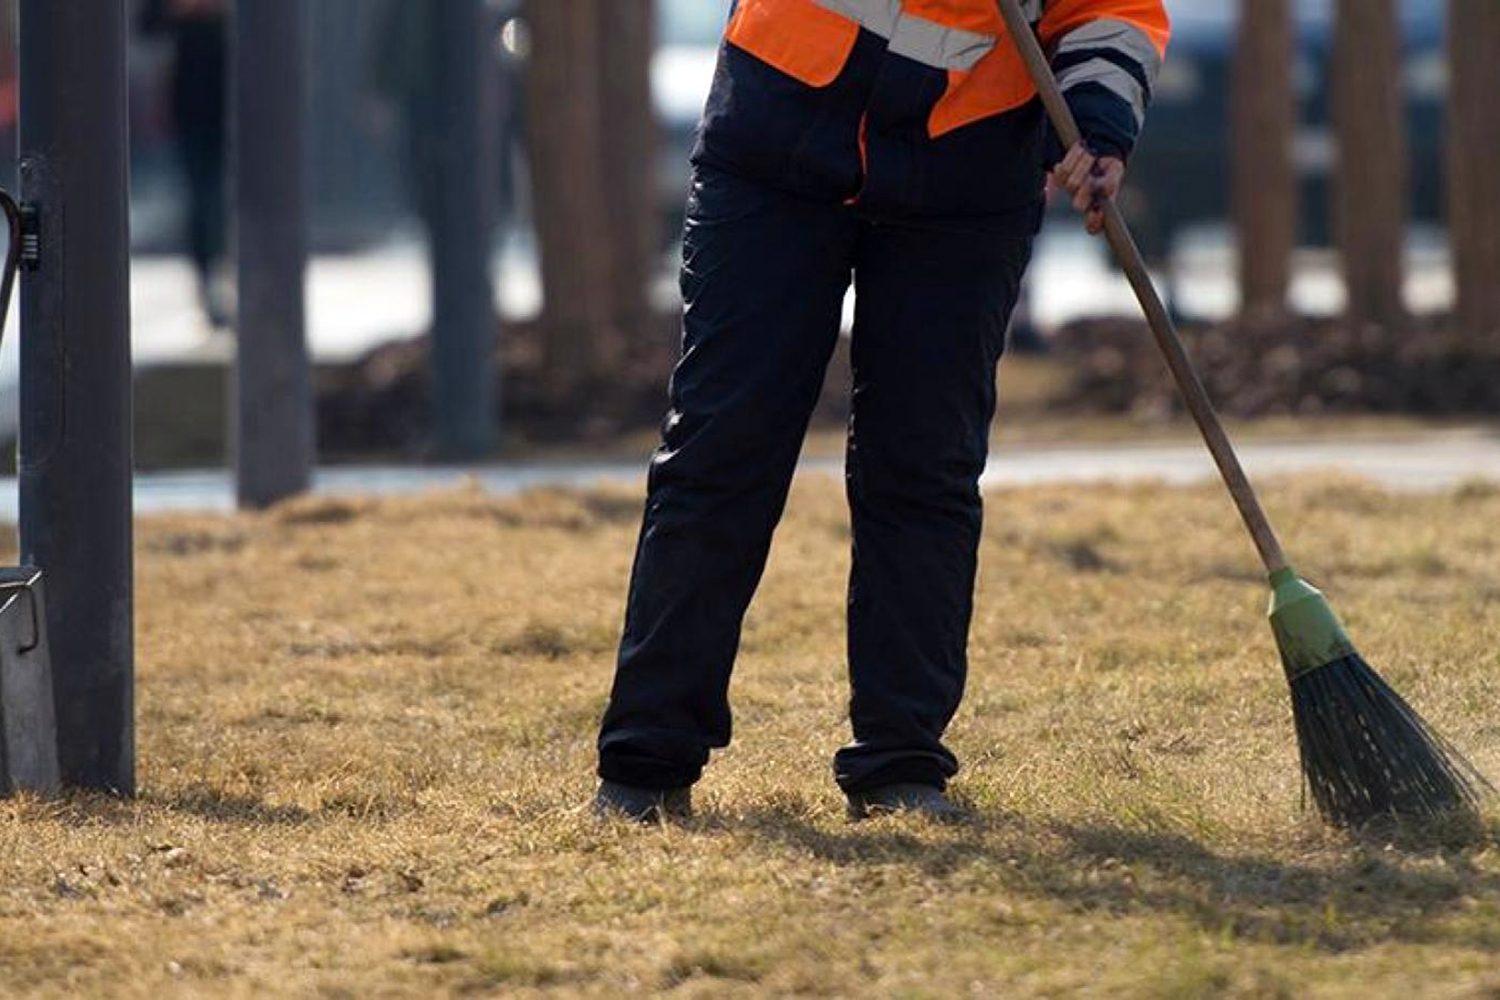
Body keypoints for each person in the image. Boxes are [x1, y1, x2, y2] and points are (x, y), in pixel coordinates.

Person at [595, 0, 1171, 823]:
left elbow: (1112, 14)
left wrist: (1100, 129)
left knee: (924, 466)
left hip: (967, 173)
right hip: (777, 139)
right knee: (722, 450)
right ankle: (646, 765)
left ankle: (901, 767)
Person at [140, 0, 231, 328]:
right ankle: (210, 283)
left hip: (235, 103)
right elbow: (146, 25)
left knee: (226, 199)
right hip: (191, 105)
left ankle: (227, 277)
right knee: (203, 200)